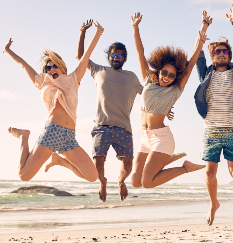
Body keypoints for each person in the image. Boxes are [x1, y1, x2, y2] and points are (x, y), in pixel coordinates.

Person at [76, 20, 182, 202]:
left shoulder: (132, 77)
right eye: (113, 55)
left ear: (125, 58)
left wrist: (166, 108)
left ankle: (121, 181)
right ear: (109, 57)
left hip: (123, 127)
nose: (116, 58)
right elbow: (81, 57)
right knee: (98, 161)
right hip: (101, 126)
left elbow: (152, 95)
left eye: (120, 56)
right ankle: (102, 182)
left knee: (128, 164)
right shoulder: (98, 70)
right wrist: (82, 33)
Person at [3, 22, 105, 182]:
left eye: (54, 66)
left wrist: (98, 33)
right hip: (51, 133)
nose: (51, 70)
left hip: (69, 137)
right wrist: (8, 50)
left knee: (92, 176)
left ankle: (59, 161)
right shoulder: (42, 83)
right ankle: (24, 136)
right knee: (24, 176)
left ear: (62, 67)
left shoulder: (72, 80)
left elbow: (85, 56)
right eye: (47, 68)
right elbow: (23, 65)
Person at [130, 13, 207, 189]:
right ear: (158, 70)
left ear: (176, 77)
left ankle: (185, 168)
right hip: (144, 137)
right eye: (164, 72)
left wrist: (202, 34)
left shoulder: (175, 90)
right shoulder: (148, 79)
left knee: (147, 182)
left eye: (172, 75)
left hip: (161, 139)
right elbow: (140, 53)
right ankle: (164, 160)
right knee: (135, 182)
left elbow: (190, 64)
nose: (167, 77)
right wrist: (135, 28)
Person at [195, 6, 233, 226]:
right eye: (217, 52)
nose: (221, 54)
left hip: (232, 129)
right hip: (211, 130)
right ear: (213, 57)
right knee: (210, 172)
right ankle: (213, 203)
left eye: (224, 51)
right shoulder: (205, 73)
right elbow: (197, 51)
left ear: (229, 55)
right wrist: (204, 26)